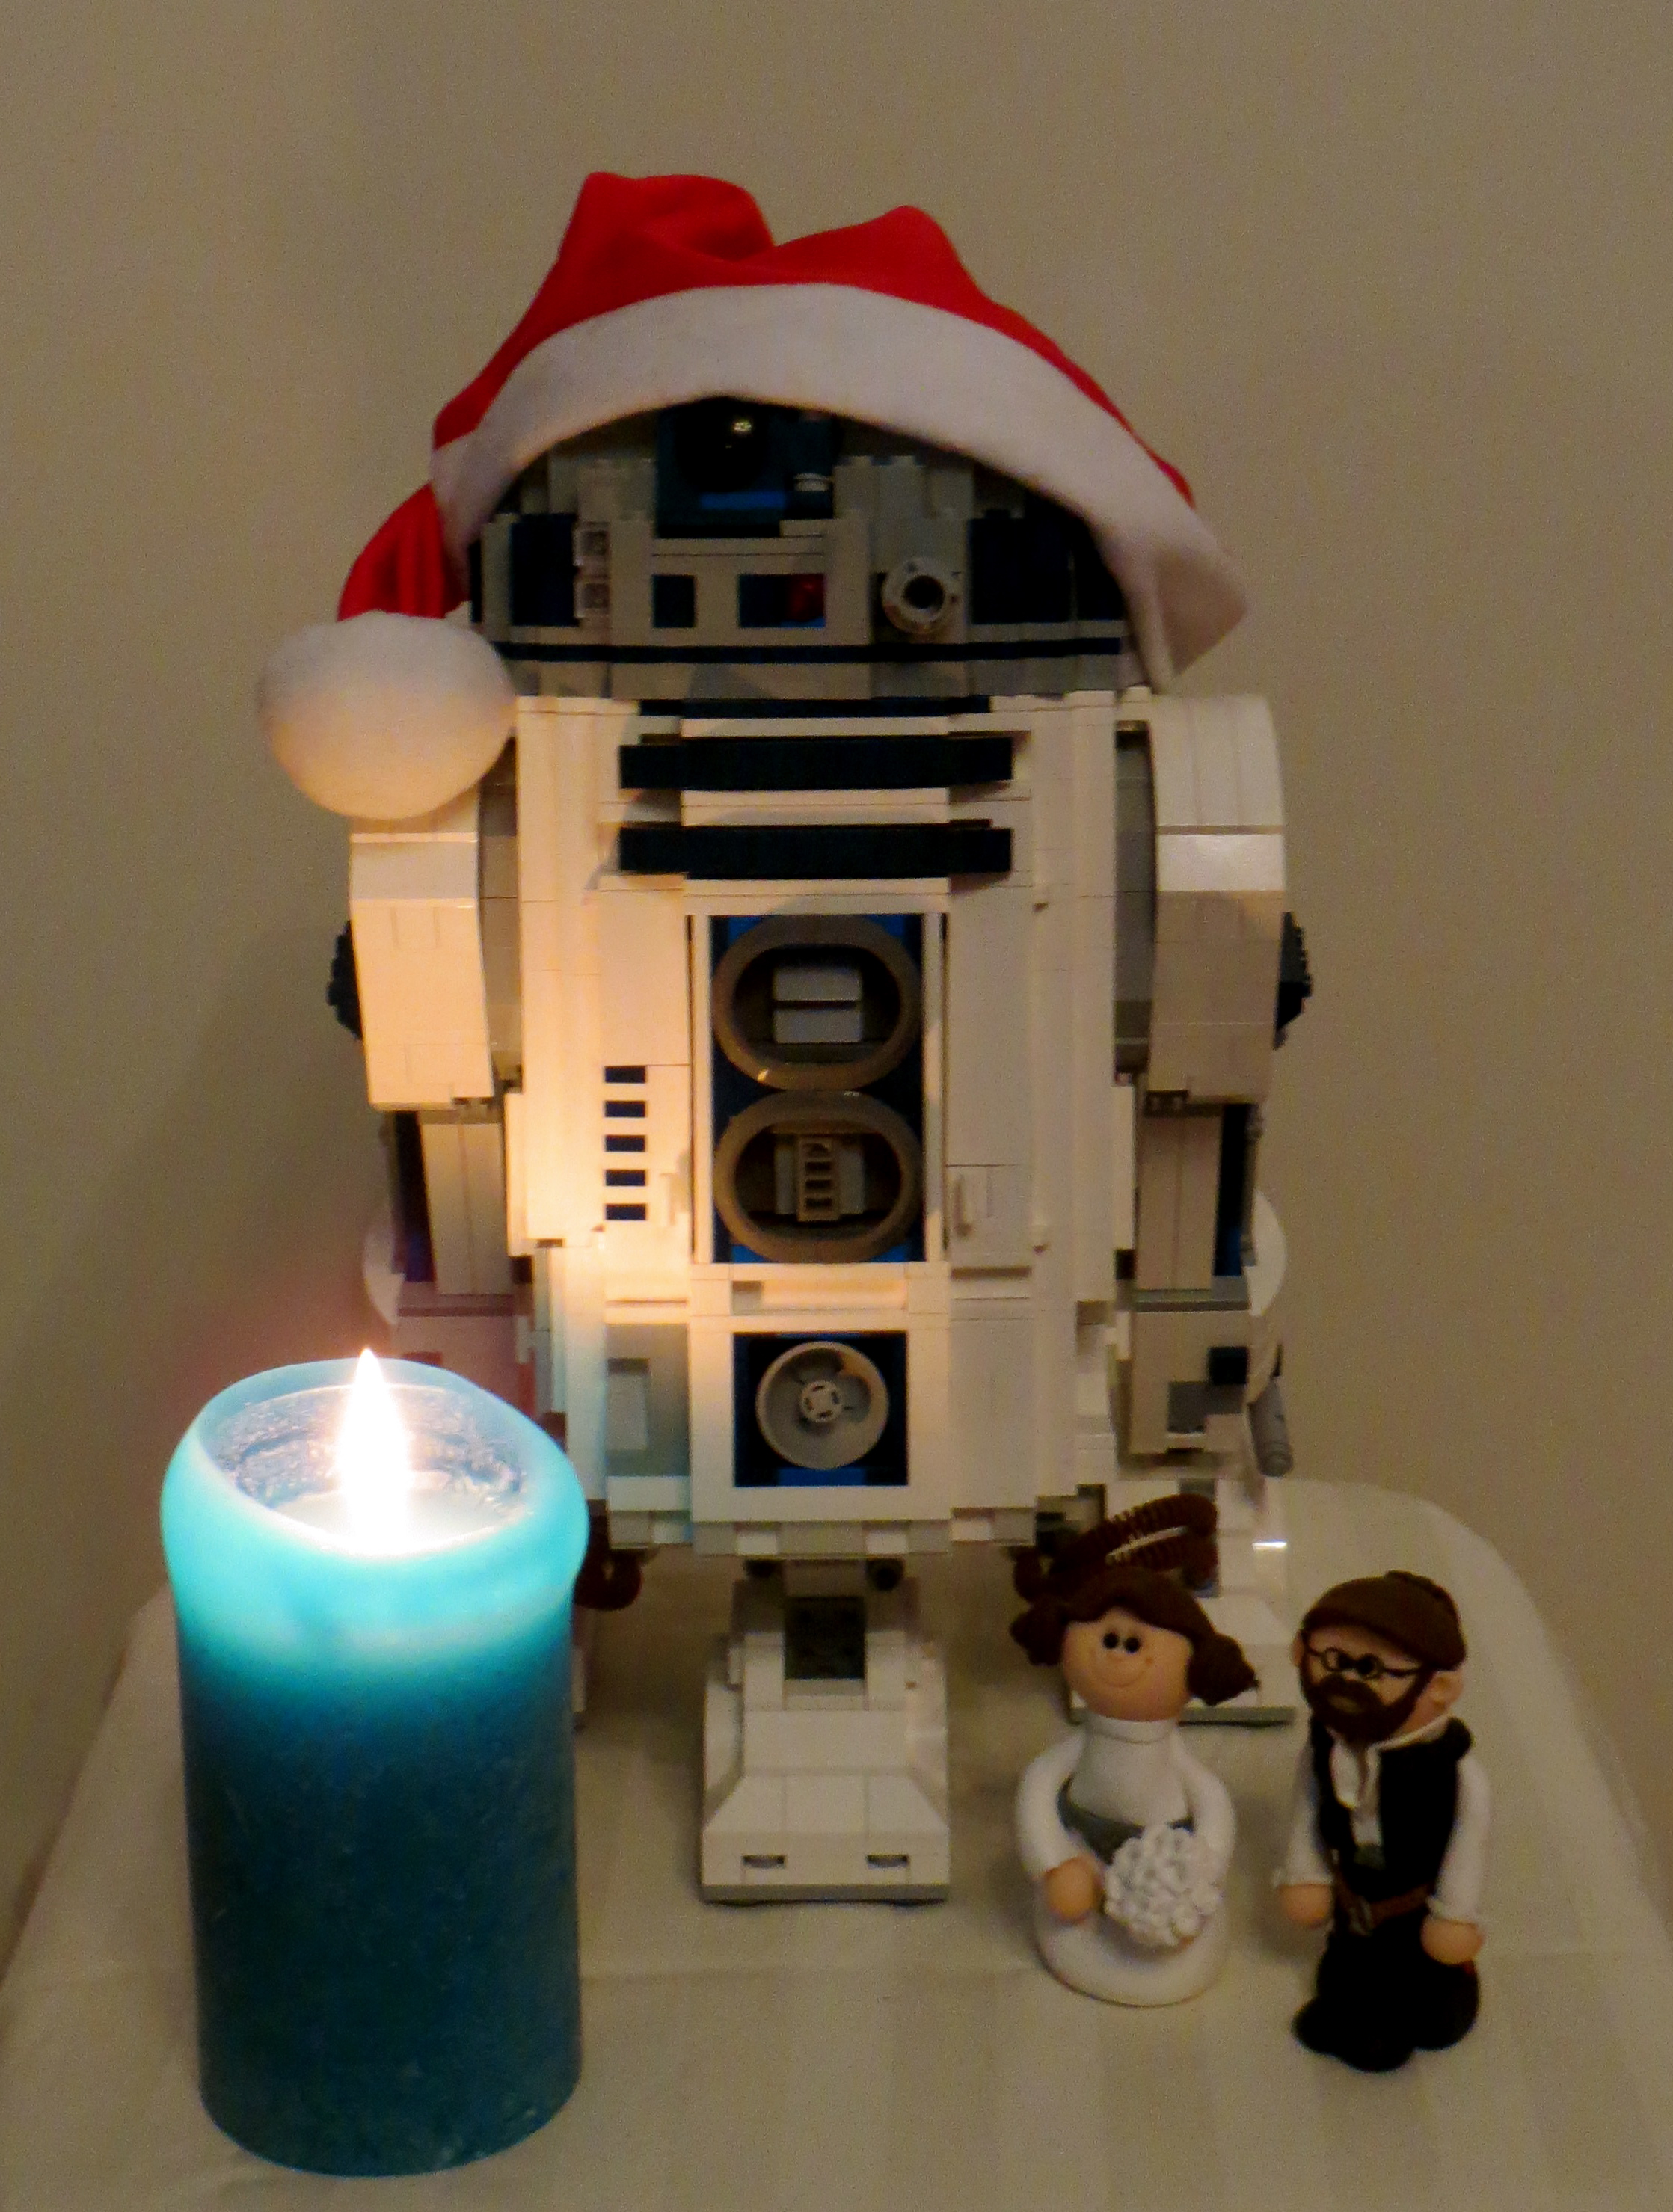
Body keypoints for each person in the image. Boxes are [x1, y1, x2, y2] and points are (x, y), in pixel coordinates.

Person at [1012, 1534, 1256, 2004]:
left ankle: (1160, 1929)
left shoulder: (1181, 1763)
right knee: (1069, 1897)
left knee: (1171, 1928)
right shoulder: (1072, 1753)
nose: (1118, 1654)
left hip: (1163, 1855)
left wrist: (1200, 1872)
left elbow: (1212, 1807)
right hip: (1083, 1843)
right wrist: (1051, 1862)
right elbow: (1038, 1790)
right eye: (1108, 1639)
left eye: (1133, 1644)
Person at [1277, 1570, 1488, 2071]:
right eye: (1333, 1660)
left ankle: (1401, 2017)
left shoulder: (1453, 1768)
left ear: (1439, 1687)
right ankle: (1347, 2005)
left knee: (1415, 1997)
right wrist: (1305, 1874)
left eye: (1370, 1668)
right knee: (1342, 1975)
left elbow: (1470, 1839)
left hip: (1414, 1916)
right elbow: (1306, 1806)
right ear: (1301, 1652)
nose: (1347, 1680)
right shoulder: (1323, 1747)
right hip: (1352, 1905)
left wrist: (1455, 1914)